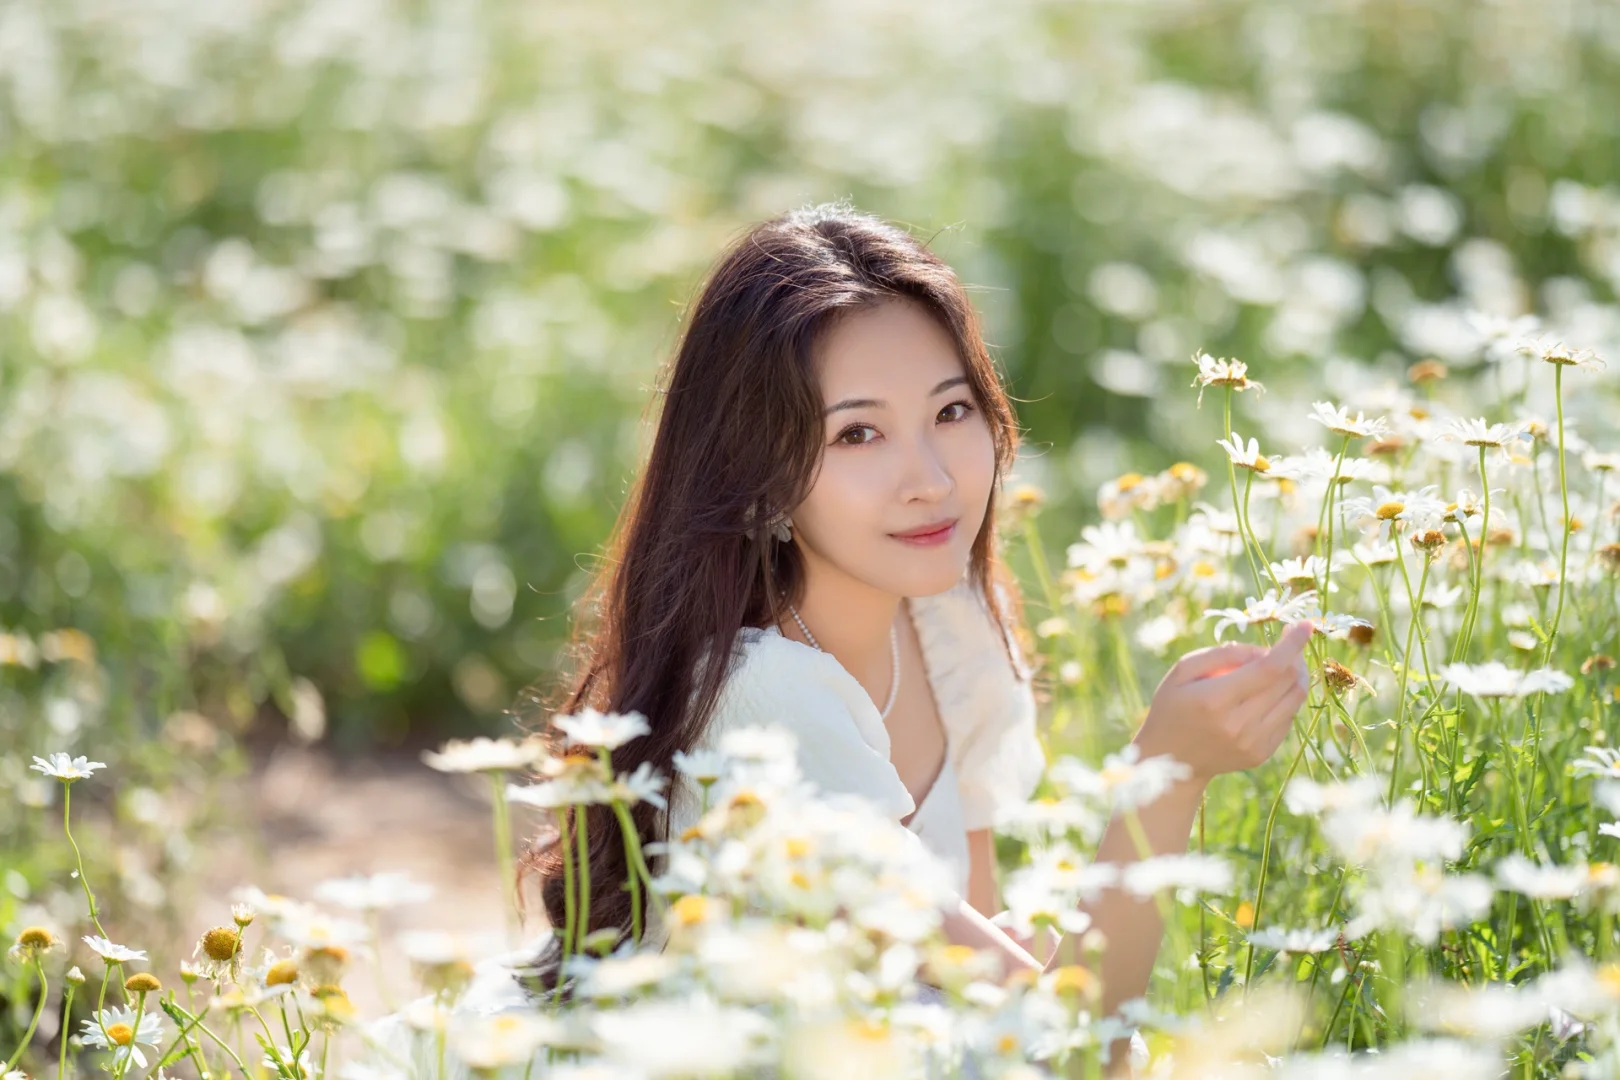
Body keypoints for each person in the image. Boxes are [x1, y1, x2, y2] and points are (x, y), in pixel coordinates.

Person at [515, 200, 1313, 1058]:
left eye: (951, 412)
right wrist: (1170, 769)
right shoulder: (767, 706)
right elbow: (1061, 1039)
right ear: (760, 479)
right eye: (858, 433)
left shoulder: (947, 630)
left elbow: (1011, 996)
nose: (930, 479)